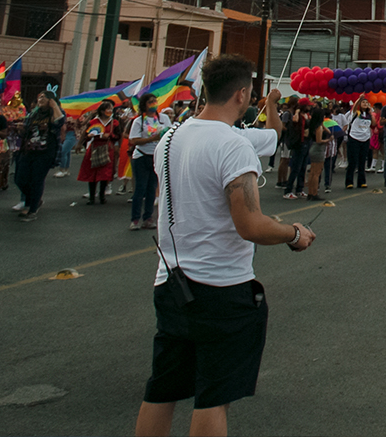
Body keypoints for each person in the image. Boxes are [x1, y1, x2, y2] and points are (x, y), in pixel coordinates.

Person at [134, 55, 312, 437]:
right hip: (221, 289)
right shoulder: (233, 146)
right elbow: (250, 224)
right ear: (242, 94)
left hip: (171, 283)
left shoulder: (170, 138)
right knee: (213, 397)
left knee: (162, 389)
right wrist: (294, 234)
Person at [13, 90, 65, 220]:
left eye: (44, 97)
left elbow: (59, 122)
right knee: (20, 179)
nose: (40, 99)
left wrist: (54, 106)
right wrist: (21, 129)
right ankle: (33, 200)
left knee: (36, 180)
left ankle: (31, 209)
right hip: (28, 150)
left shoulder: (55, 112)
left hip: (45, 152)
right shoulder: (34, 113)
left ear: (51, 100)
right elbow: (27, 130)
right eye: (39, 97)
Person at [129, 94, 170, 229]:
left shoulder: (163, 119)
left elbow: (170, 134)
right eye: (150, 102)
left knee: (152, 189)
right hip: (141, 156)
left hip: (156, 156)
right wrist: (152, 139)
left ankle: (148, 218)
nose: (153, 103)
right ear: (144, 105)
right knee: (140, 188)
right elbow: (134, 140)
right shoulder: (139, 121)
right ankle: (135, 219)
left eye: (155, 101)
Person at [342, 100, 375, 189]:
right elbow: (354, 107)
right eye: (363, 103)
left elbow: (374, 124)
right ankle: (349, 182)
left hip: (365, 139)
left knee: (362, 161)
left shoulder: (368, 115)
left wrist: (371, 114)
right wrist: (359, 99)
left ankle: (361, 181)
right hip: (354, 138)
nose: (365, 104)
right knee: (353, 161)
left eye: (367, 103)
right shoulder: (356, 113)